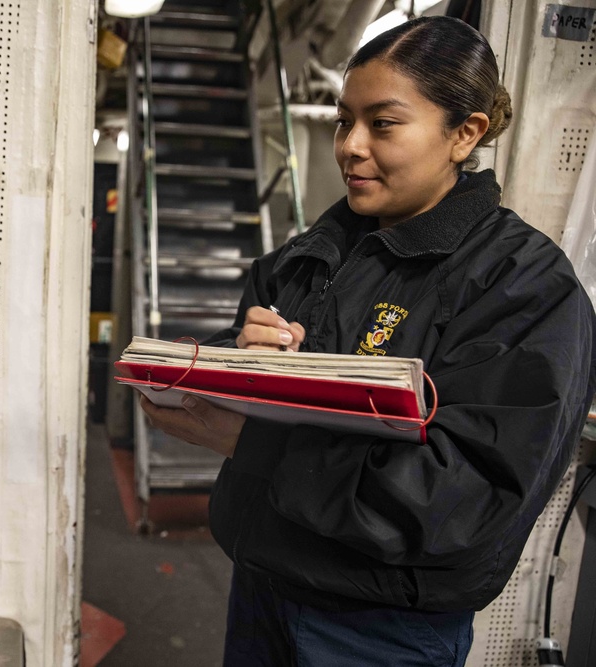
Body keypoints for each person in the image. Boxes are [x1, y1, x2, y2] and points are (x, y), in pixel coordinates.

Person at [139, 15, 596, 667]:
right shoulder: (308, 256)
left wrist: (255, 439)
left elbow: (464, 498)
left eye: (382, 123)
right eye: (342, 120)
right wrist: (233, 364)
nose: (350, 145)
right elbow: (260, 377)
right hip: (263, 587)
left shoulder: (523, 285)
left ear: (464, 133)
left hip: (379, 628)